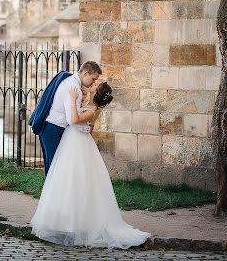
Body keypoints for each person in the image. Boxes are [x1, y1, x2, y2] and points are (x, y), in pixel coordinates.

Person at [31, 82, 151, 249]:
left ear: (97, 93)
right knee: (67, 181)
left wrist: (72, 101)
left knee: (75, 180)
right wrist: (81, 98)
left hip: (76, 144)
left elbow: (74, 120)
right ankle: (64, 222)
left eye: (96, 84)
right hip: (74, 142)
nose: (93, 84)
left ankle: (74, 224)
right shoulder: (90, 104)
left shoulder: (93, 109)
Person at [29, 61, 102, 175]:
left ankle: (51, 192)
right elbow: (72, 119)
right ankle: (52, 193)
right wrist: (87, 129)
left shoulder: (70, 81)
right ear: (85, 74)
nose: (94, 82)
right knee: (54, 169)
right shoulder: (74, 88)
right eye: (93, 79)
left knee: (53, 167)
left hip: (51, 128)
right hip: (53, 129)